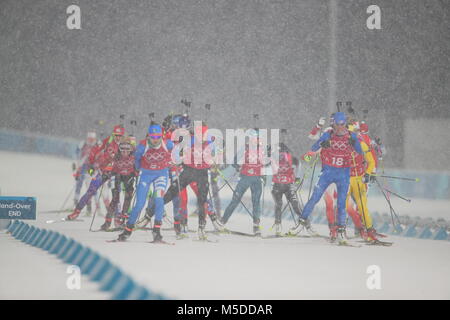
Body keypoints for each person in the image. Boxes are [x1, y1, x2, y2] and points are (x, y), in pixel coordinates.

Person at [289, 112, 363, 244]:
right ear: (333, 124)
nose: (340, 128)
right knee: (314, 198)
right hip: (327, 174)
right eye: (337, 125)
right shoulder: (327, 134)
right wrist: (322, 144)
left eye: (342, 124)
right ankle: (301, 224)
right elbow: (313, 148)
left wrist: (355, 144)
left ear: (345, 124)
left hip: (343, 175)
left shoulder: (352, 136)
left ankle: (341, 232)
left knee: (341, 204)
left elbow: (360, 153)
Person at [117, 124, 174, 242]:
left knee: (159, 200)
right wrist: (137, 170)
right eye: (152, 137)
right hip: (146, 175)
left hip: (161, 175)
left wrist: (173, 162)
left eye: (158, 137)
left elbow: (178, 152)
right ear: (148, 136)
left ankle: (157, 231)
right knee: (140, 204)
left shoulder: (167, 144)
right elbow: (136, 160)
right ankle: (127, 230)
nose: (155, 140)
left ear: (161, 136)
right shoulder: (142, 146)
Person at [67, 125, 124, 220]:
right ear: (113, 134)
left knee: (115, 194)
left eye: (120, 136)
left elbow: (131, 158)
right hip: (103, 171)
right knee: (91, 191)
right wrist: (90, 165)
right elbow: (94, 150)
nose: (118, 137)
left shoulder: (125, 145)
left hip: (115, 173)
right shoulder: (107, 141)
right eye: (116, 135)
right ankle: (76, 212)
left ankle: (116, 217)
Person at [220, 129, 267, 236]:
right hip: (245, 177)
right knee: (235, 200)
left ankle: (256, 226)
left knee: (256, 202)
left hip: (256, 179)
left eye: (255, 138)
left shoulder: (262, 149)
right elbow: (235, 161)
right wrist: (237, 167)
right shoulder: (245, 148)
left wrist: (264, 176)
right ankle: (222, 221)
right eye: (251, 138)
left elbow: (266, 163)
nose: (253, 140)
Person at [100, 137, 137, 231]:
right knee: (115, 199)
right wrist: (105, 173)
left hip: (129, 176)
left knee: (128, 197)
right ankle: (107, 222)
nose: (124, 152)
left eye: (127, 149)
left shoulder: (134, 155)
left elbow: (141, 163)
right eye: (122, 149)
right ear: (119, 149)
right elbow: (105, 163)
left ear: (131, 149)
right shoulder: (116, 156)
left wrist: (137, 172)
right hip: (117, 175)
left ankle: (122, 220)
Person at [270, 142, 303, 236]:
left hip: (289, 185)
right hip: (277, 185)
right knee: (278, 204)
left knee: (295, 205)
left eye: (283, 153)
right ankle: (278, 225)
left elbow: (299, 163)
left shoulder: (291, 158)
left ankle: (306, 224)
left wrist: (298, 177)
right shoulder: (273, 158)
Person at [72, 131, 98, 214]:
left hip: (90, 168)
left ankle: (91, 204)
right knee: (79, 183)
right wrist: (76, 164)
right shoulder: (83, 144)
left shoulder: (96, 145)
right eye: (89, 139)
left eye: (92, 139)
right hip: (83, 167)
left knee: (91, 183)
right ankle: (76, 201)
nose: (90, 141)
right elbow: (76, 154)